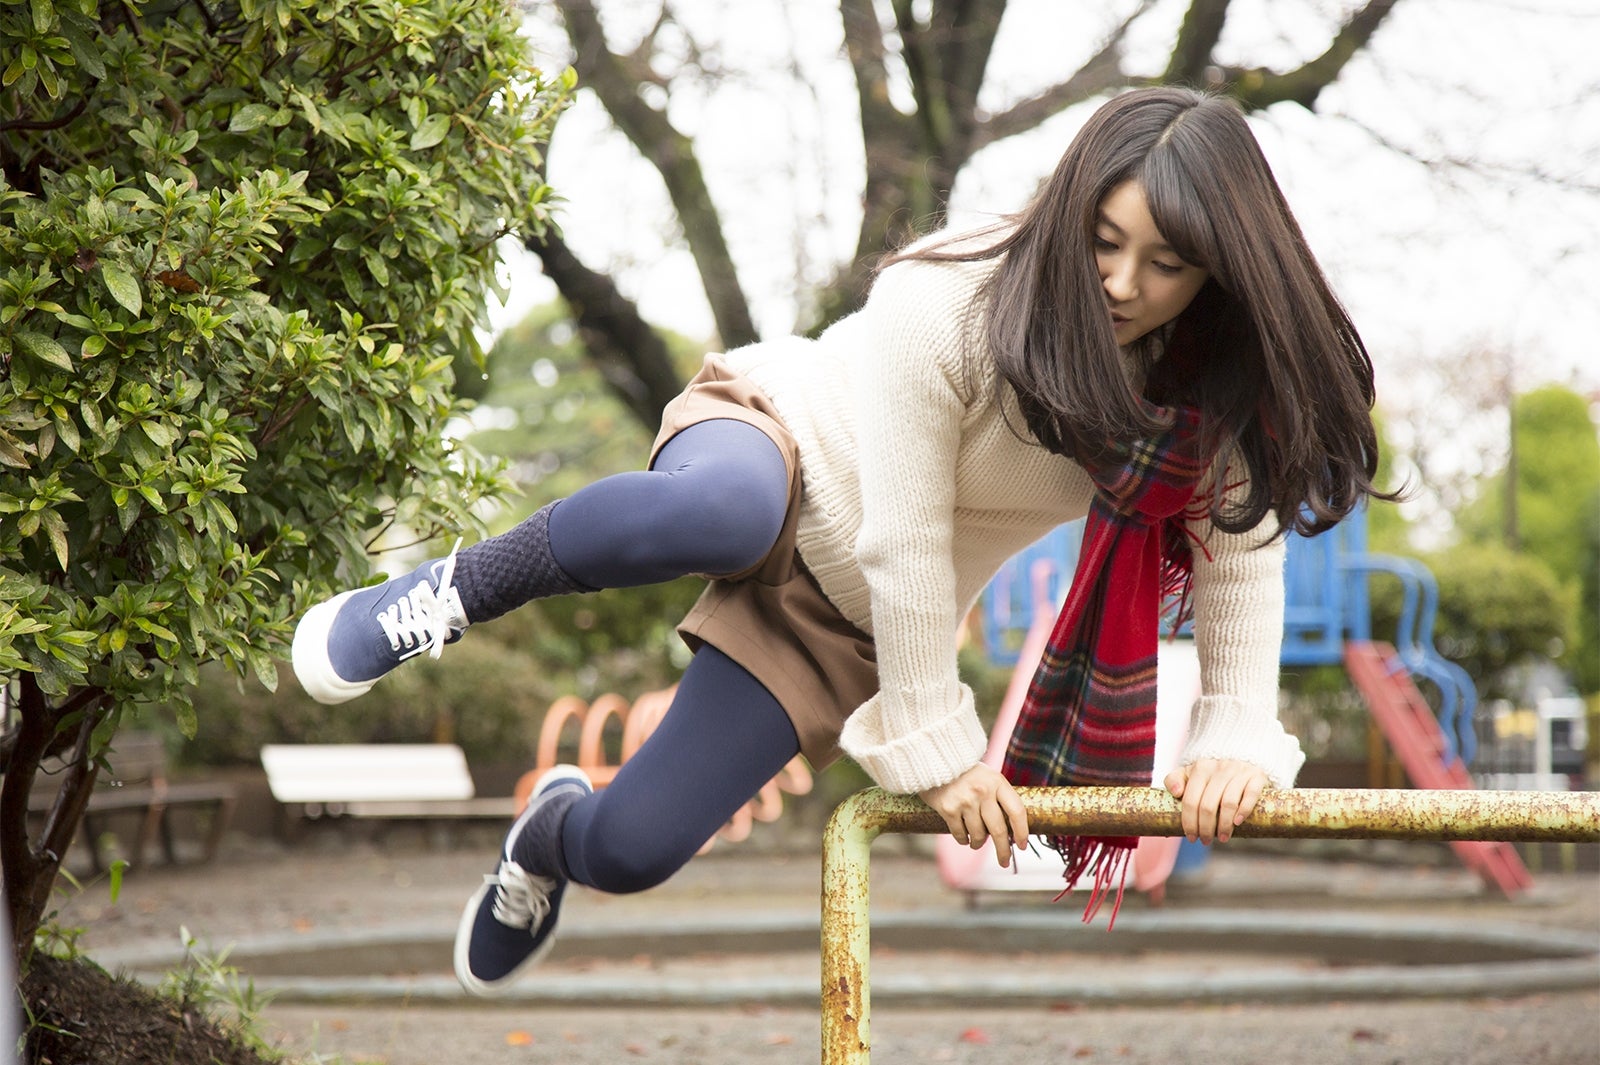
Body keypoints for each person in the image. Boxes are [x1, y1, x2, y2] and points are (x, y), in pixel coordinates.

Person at [292, 86, 1390, 995]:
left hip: (842, 620)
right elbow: (905, 539)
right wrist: (939, 746)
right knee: (720, 511)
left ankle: (545, 840)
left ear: (1214, 273)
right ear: (1066, 215)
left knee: (631, 852)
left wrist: (1232, 740)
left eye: (1164, 264)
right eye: (1103, 242)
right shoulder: (952, 300)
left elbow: (1239, 557)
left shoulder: (1203, 403)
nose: (1119, 283)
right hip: (781, 449)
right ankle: (450, 592)